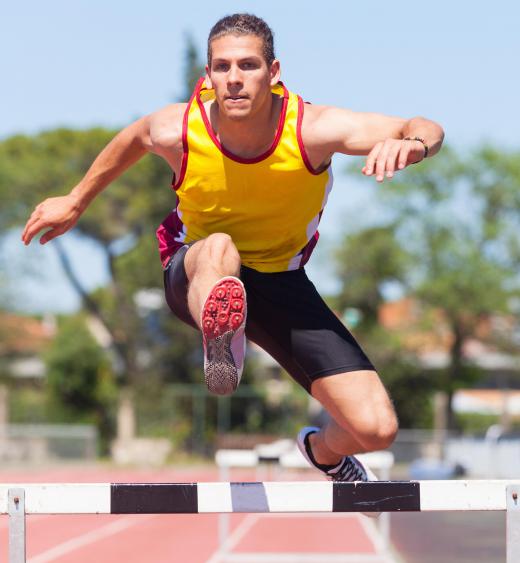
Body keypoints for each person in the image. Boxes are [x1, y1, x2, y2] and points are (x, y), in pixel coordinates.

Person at [22, 14, 444, 496]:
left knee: (375, 428)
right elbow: (134, 137)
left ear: (274, 72)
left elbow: (426, 126)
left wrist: (412, 144)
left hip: (282, 281)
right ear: (208, 76)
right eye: (221, 67)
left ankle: (322, 452)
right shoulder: (179, 128)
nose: (234, 79)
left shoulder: (312, 129)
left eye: (248, 65)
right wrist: (75, 199)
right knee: (221, 248)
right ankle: (222, 332)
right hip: (197, 268)